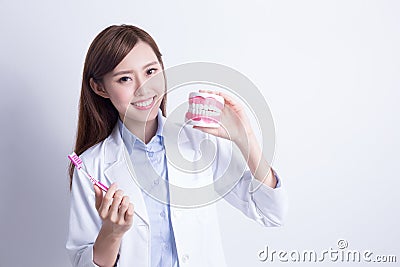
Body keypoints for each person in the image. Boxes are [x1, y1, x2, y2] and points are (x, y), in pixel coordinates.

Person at [66, 24, 287, 267]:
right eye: (125, 78)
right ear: (100, 88)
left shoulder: (198, 141)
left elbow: (271, 213)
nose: (144, 88)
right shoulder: (90, 166)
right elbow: (81, 261)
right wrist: (112, 232)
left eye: (151, 72)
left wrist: (245, 138)